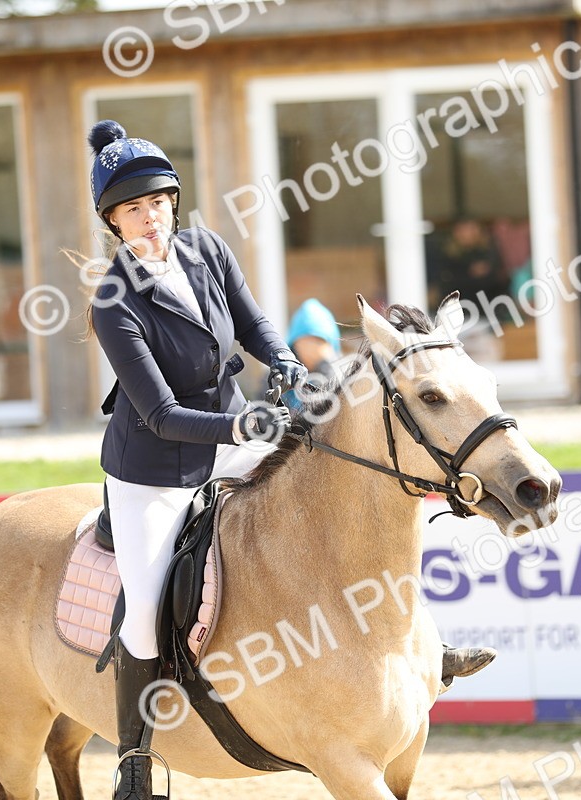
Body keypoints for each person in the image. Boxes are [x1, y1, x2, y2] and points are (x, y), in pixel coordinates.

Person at [86, 120, 492, 800]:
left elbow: (254, 325)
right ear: (113, 222)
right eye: (133, 209)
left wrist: (279, 364)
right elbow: (158, 414)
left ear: (172, 202)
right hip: (153, 467)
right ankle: (133, 759)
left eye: (158, 202)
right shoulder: (113, 301)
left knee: (332, 499)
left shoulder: (206, 250)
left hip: (230, 434)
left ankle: (426, 652)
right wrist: (243, 420)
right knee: (145, 605)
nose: (150, 217)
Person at [286, 297, 342, 383]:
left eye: (318, 341)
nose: (310, 348)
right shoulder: (279, 376)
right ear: (294, 344)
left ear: (330, 346)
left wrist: (325, 367)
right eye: (305, 341)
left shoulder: (342, 376)